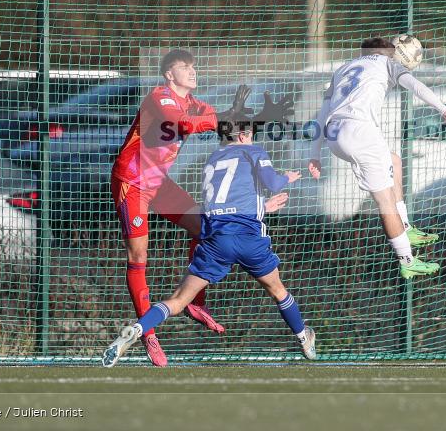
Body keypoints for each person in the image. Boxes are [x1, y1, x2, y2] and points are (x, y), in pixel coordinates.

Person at [110, 49, 292, 366]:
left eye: (194, 66)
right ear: (169, 74)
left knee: (206, 228)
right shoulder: (159, 96)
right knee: (139, 256)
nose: (193, 71)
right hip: (133, 182)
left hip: (158, 184)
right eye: (185, 67)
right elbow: (179, 124)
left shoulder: (197, 104)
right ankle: (148, 337)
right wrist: (221, 116)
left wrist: (263, 115)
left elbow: (226, 125)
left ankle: (194, 302)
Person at [103, 123, 316, 367]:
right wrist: (286, 177)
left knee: (178, 300)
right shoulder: (254, 151)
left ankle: (139, 328)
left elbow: (224, 202)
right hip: (248, 238)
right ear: (245, 136)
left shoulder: (212, 159)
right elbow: (273, 184)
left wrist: (262, 206)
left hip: (217, 241)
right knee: (278, 291)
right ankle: (303, 336)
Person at [307, 37, 446, 279]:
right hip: (360, 133)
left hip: (334, 135)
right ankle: (407, 260)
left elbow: (322, 114)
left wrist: (315, 155)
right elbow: (416, 86)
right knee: (385, 201)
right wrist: (444, 109)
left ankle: (406, 228)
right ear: (392, 54)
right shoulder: (387, 63)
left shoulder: (343, 69)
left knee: (394, 161)